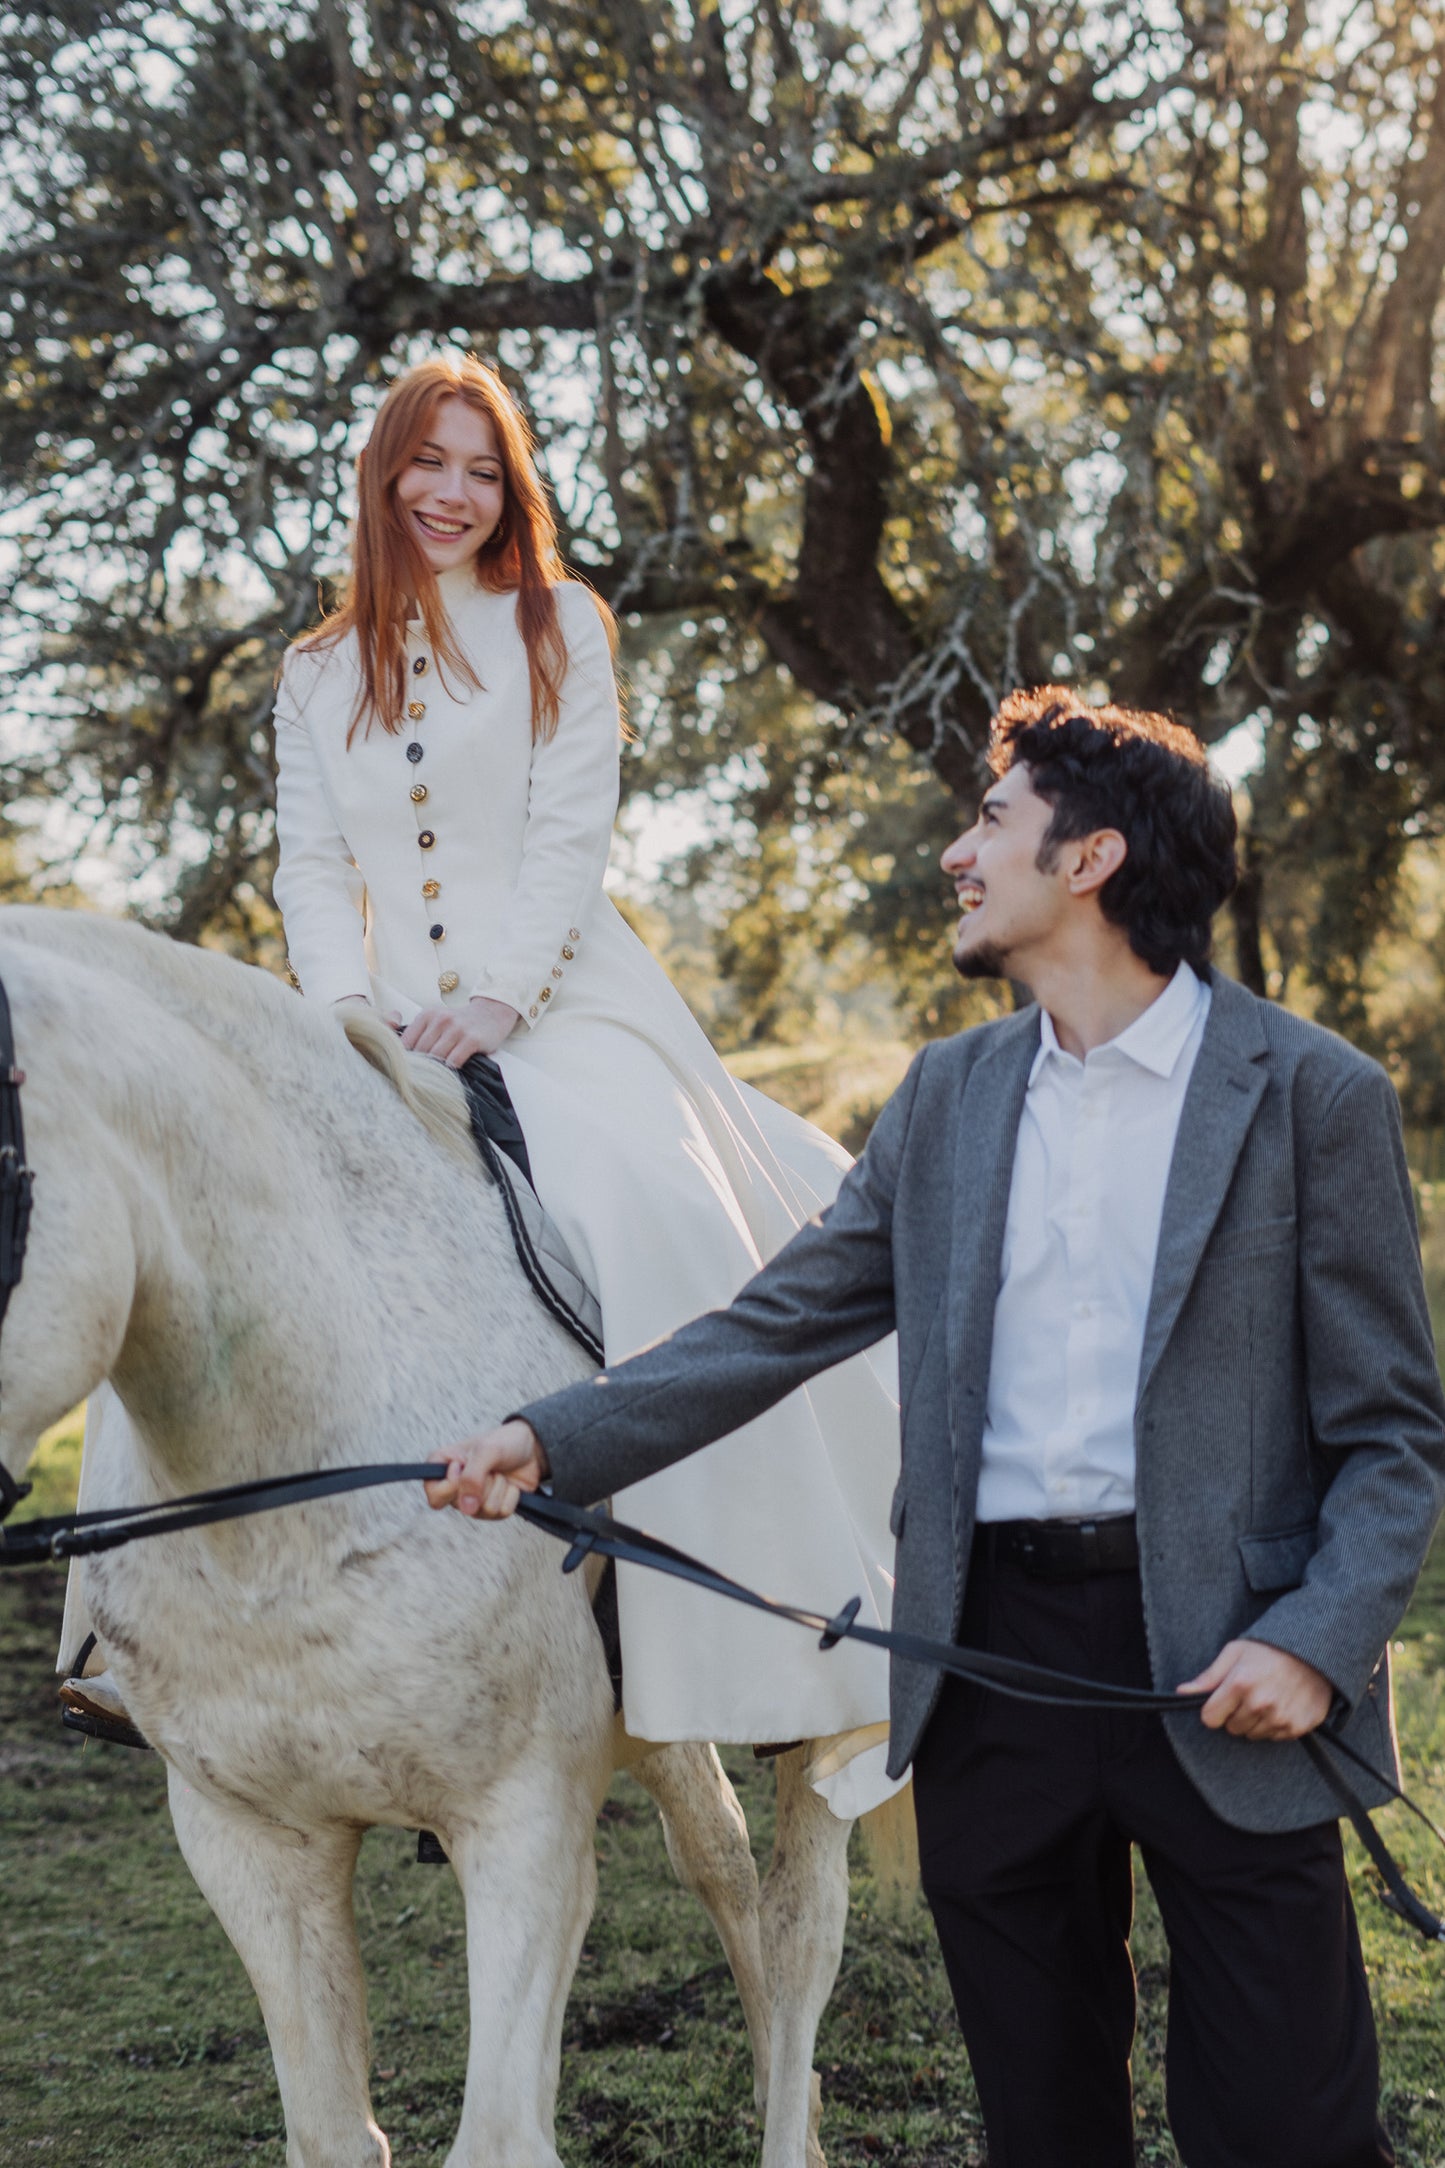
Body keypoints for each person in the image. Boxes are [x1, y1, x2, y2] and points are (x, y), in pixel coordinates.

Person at [428, 689, 1445, 2168]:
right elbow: (776, 1321)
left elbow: (1392, 1433)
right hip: (989, 1666)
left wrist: (1311, 1637)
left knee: (1288, 2128)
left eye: (990, 821)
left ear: (1089, 859)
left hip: (1231, 1668)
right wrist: (551, 1437)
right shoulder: (950, 1096)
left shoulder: (1311, 1096)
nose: (960, 855)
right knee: (1038, 2123)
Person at [260, 351, 904, 1810]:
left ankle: (759, 1637)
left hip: (564, 1002)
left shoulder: (560, 623)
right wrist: (343, 1019)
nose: (453, 494)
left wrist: (500, 999)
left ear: (512, 491)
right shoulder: (311, 670)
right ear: (384, 471)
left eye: (484, 471)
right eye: (431, 463)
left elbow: (568, 836)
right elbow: (309, 864)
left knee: (648, 1216)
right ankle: (132, 1636)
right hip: (380, 1029)